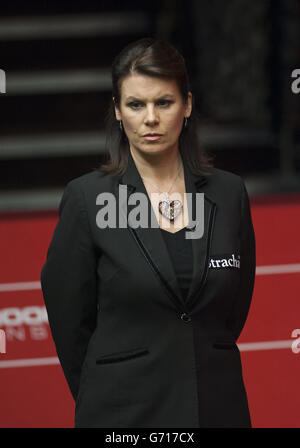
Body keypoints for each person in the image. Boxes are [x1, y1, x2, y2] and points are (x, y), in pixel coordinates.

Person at [40, 37, 256, 428]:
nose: (150, 118)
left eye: (164, 102)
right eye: (136, 105)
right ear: (118, 112)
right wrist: (108, 388)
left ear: (187, 105)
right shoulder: (87, 199)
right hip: (124, 414)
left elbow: (231, 311)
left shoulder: (229, 193)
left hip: (217, 406)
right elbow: (70, 323)